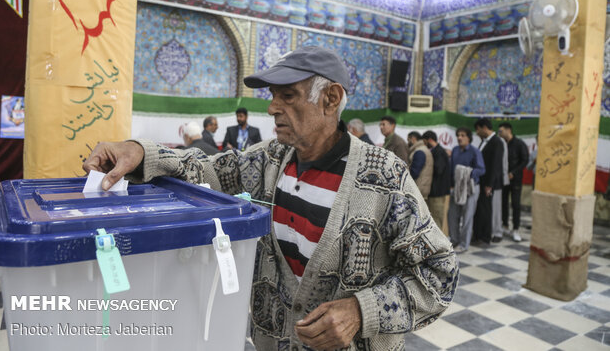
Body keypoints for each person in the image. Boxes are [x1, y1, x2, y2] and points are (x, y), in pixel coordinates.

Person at [83, 45, 458, 351]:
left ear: (331, 99)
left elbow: (439, 274)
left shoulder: (384, 177)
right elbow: (205, 169)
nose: (273, 107)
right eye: (272, 96)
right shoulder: (268, 160)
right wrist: (140, 151)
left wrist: (362, 311)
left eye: (288, 96)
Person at [448, 127, 485, 253]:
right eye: (458, 135)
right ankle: (454, 239)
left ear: (469, 138)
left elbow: (481, 169)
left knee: (467, 216)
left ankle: (464, 244)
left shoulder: (475, 152)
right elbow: (451, 168)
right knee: (452, 215)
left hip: (470, 188)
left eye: (463, 135)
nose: (459, 137)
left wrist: (467, 173)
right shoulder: (455, 150)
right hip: (456, 187)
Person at [473, 118, 504, 245]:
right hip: (481, 181)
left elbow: (495, 165)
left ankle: (485, 237)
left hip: (488, 183)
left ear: (484, 127)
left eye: (478, 129)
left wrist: (489, 185)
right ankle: (478, 234)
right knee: (480, 209)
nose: (477, 133)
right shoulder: (484, 142)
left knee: (486, 209)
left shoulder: (497, 142)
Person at [498, 122, 529, 242]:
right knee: (503, 202)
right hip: (503, 179)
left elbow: (525, 160)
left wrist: (513, 173)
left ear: (508, 130)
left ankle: (515, 229)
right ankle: (504, 225)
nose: (499, 133)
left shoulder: (519, 143)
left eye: (501, 131)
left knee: (515, 204)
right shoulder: (501, 144)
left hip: (515, 179)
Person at [422, 130, 451, 234]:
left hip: (438, 192)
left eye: (425, 142)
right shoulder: (436, 151)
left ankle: (439, 246)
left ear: (430, 140)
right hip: (435, 192)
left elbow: (439, 169)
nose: (424, 145)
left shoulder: (438, 152)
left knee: (437, 219)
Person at [407, 131, 433, 200]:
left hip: (418, 190)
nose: (408, 143)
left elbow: (414, 173)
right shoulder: (422, 149)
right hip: (421, 189)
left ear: (413, 138)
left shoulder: (419, 151)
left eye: (408, 140)